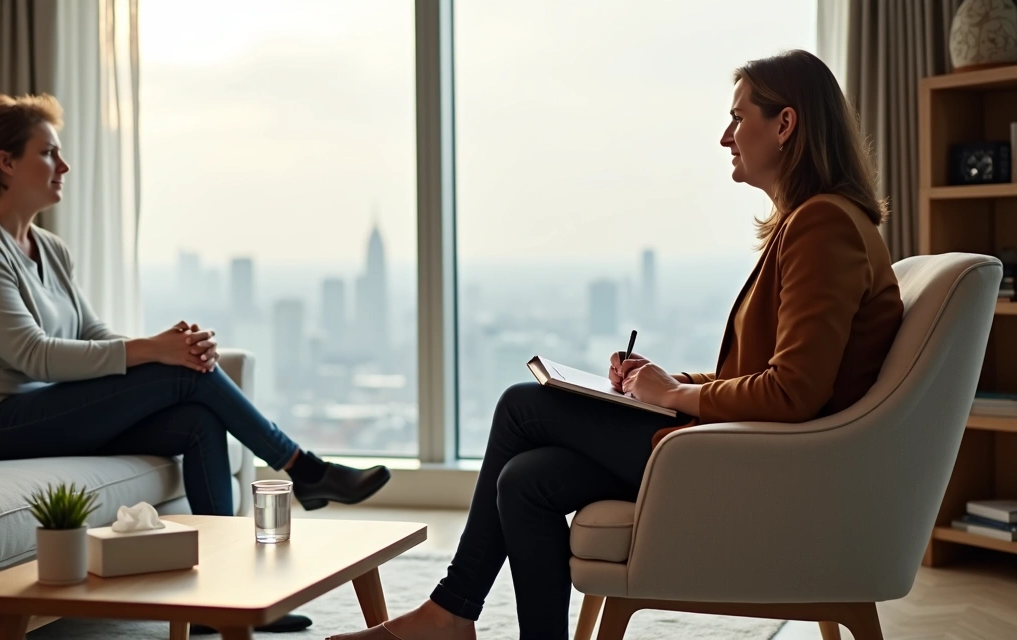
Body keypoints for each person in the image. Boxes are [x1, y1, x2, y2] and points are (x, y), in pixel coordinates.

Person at [329, 49, 904, 640]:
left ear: (785, 125)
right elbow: (778, 374)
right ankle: (457, 618)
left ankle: (449, 615)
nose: (726, 136)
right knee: (523, 482)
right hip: (745, 451)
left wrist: (676, 395)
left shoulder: (822, 225)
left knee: (521, 406)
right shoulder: (816, 223)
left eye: (738, 118)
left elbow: (794, 392)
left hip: (753, 470)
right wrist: (662, 382)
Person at [0, 93, 391, 635]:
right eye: (49, 153)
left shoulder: (48, 248)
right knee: (175, 373)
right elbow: (34, 354)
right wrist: (156, 352)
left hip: (44, 410)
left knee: (197, 419)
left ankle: (225, 598)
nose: (64, 166)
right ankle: (304, 470)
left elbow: (91, 333)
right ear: (5, 162)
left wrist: (166, 346)